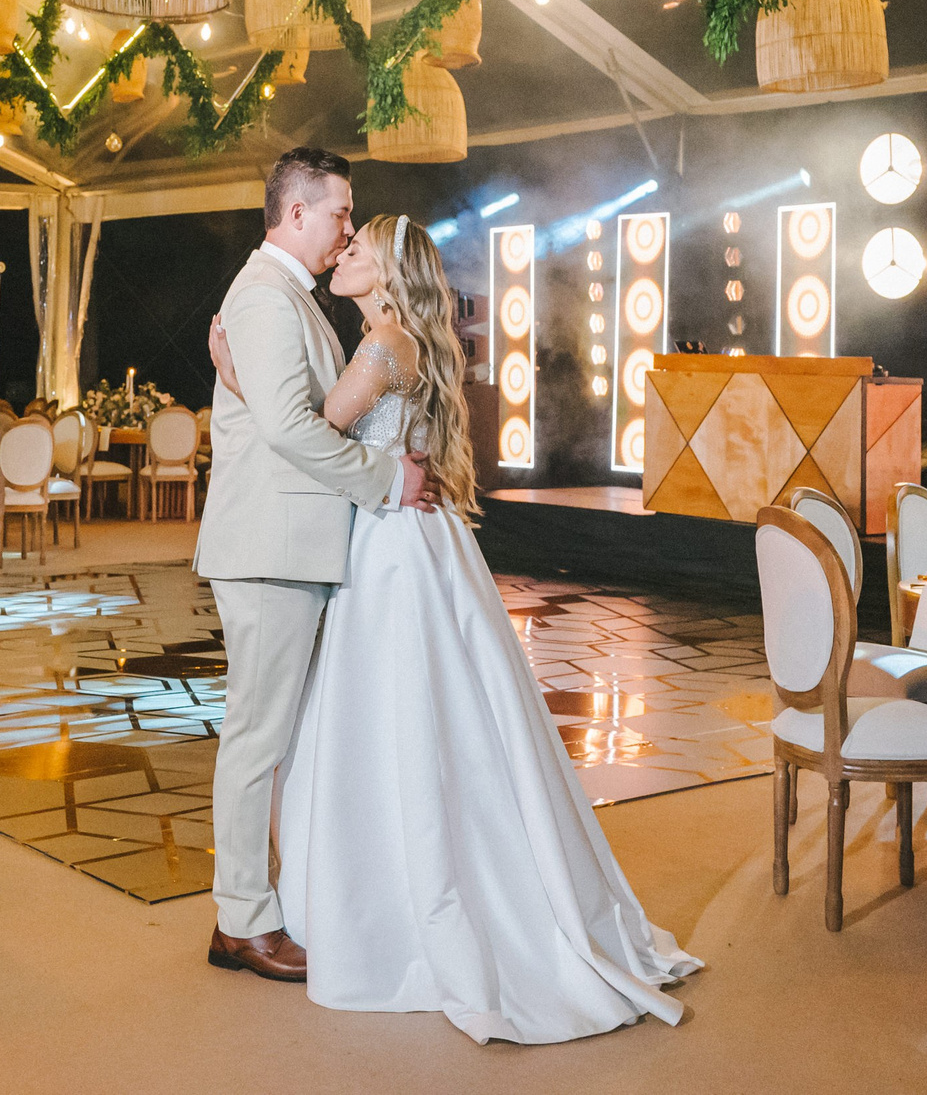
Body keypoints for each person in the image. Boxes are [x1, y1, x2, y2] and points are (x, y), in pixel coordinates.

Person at [212, 211, 697, 1044]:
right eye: (344, 231)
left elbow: (313, 428)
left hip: (390, 553)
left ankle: (393, 899)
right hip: (414, 543)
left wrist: (232, 366)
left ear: (388, 273)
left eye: (358, 246)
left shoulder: (381, 346)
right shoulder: (400, 340)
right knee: (434, 717)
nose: (344, 249)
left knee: (389, 717)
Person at [197, 149, 433, 984]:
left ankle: (275, 902)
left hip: (291, 543)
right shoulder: (264, 296)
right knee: (256, 737)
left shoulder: (282, 297)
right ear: (295, 213)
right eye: (340, 212)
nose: (346, 228)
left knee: (279, 736)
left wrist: (230, 374)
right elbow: (297, 431)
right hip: (268, 547)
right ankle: (243, 920)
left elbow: (288, 414)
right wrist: (385, 482)